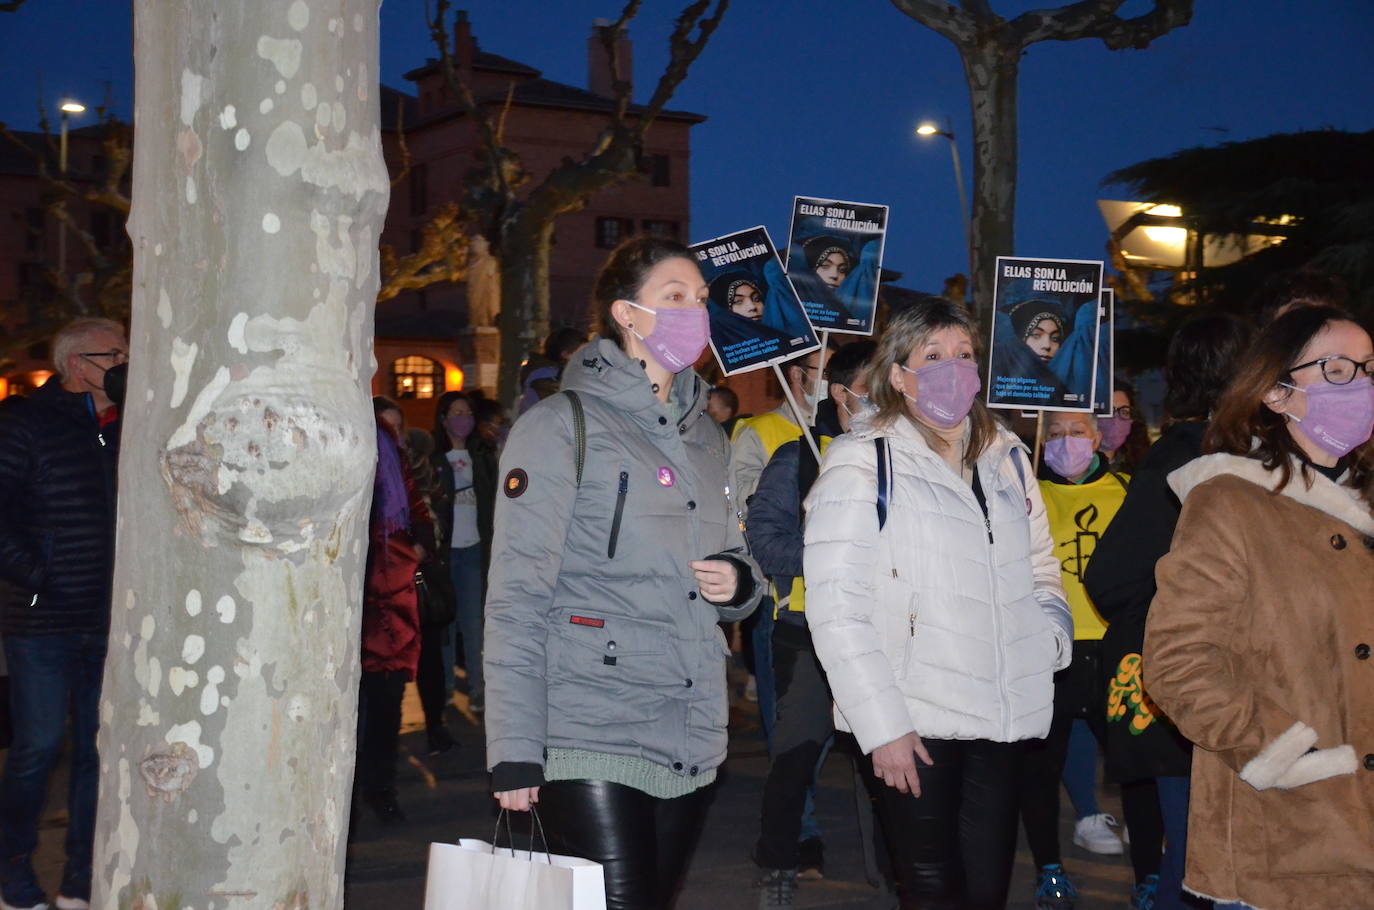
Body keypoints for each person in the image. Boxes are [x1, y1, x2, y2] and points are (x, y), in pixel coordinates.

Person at [484, 235, 764, 909]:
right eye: (674, 297)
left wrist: (739, 582)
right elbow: (517, 595)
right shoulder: (559, 426)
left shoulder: (708, 436)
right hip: (589, 724)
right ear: (626, 314)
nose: (695, 313)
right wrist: (515, 748)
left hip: (689, 722)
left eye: (700, 299)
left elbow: (735, 553)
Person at [805, 299, 1072, 910]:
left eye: (964, 355)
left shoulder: (1006, 458)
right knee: (932, 889)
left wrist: (1047, 638)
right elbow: (837, 610)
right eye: (933, 357)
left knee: (987, 890)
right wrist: (883, 727)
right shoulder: (861, 462)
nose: (954, 368)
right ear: (899, 374)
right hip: (915, 718)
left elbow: (1039, 567)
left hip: (1002, 713)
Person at [1143, 305, 1374, 910]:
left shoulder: (1367, 500)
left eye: (1370, 368)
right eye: (1339, 369)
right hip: (1290, 829)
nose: (1363, 385)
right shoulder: (1230, 501)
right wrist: (1286, 755)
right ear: (1277, 393)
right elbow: (1179, 660)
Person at [1084, 314, 1254, 910]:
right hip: (1197, 695)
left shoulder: (1184, 456)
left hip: (1191, 696)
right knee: (1197, 864)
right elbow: (1112, 576)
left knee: (1198, 859)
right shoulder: (1204, 461)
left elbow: (1114, 579)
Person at [0, 318, 127, 910]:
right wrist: (38, 573)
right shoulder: (24, 423)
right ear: (80, 364)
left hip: (110, 621)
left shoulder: (130, 424)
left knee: (98, 753)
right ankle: (13, 873)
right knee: (37, 748)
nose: (129, 361)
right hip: (42, 622)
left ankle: (81, 878)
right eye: (117, 353)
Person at [1020, 411, 1165, 910]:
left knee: (1137, 770)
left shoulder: (1129, 491)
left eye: (1077, 432)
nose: (1066, 442)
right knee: (1039, 770)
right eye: (1054, 434)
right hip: (1051, 652)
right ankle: (1049, 870)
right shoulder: (1025, 494)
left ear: (1098, 437)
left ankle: (1149, 875)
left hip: (1116, 652)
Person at [749, 340, 875, 906]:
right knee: (796, 758)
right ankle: (778, 861)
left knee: (887, 755)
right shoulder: (797, 456)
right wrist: (828, 554)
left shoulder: (906, 457)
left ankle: (899, 868)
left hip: (884, 632)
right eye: (870, 388)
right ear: (840, 392)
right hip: (807, 632)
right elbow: (765, 542)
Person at [730, 345, 829, 744]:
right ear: (796, 376)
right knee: (789, 728)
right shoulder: (761, 432)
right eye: (821, 371)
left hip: (832, 596)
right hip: (779, 596)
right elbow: (738, 506)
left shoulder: (856, 436)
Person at [356, 397, 435, 824]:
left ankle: (381, 788)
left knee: (385, 706)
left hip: (389, 597)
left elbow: (414, 501)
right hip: (343, 604)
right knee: (348, 713)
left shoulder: (386, 441)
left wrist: (419, 543)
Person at [402, 422, 459, 756]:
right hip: (390, 584)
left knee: (430, 660)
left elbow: (437, 530)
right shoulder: (388, 480)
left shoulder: (428, 480)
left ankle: (436, 726)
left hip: (424, 581)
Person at [430, 391, 488, 715]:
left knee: (473, 624)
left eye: (467, 412)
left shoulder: (482, 456)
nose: (463, 418)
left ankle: (478, 690)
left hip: (474, 549)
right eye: (456, 412)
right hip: (445, 552)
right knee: (446, 626)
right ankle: (447, 689)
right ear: (443, 419)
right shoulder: (436, 460)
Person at [1099, 381, 1150, 473]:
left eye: (1124, 412)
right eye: (1109, 411)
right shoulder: (1072, 469)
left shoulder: (1141, 468)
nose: (1116, 420)